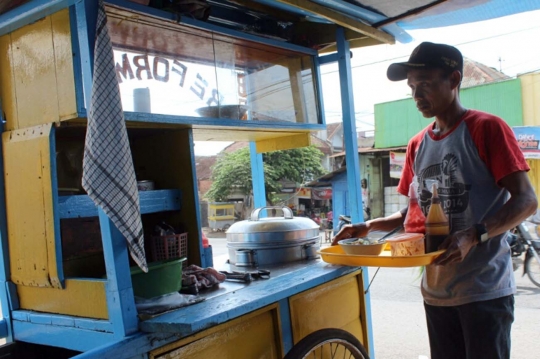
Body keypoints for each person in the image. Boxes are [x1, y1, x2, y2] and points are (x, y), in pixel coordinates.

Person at [332, 42, 537, 359]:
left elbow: (526, 200)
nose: (416, 95)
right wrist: (369, 227)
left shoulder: (487, 129)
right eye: (412, 87)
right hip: (436, 291)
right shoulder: (417, 144)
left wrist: (473, 235)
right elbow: (416, 215)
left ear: (454, 80)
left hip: (483, 290)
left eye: (425, 84)